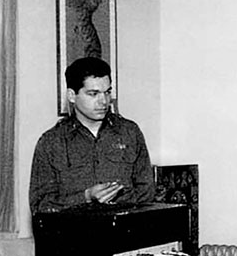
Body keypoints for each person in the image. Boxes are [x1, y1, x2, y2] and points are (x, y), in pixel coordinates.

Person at [29, 57, 155, 215]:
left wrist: (118, 205)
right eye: (93, 94)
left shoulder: (130, 133)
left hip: (124, 235)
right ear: (72, 96)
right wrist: (86, 197)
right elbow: (40, 206)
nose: (104, 101)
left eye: (107, 92)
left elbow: (147, 194)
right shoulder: (52, 142)